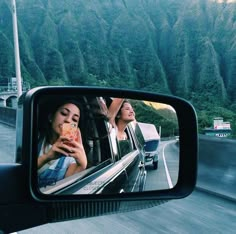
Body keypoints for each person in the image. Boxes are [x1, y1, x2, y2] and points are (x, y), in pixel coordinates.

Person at [37, 99, 87, 187]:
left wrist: (82, 165)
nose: (68, 120)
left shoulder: (71, 156)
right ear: (51, 117)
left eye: (74, 119)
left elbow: (67, 188)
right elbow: (23, 172)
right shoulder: (35, 139)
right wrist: (47, 157)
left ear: (76, 128)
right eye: (64, 113)